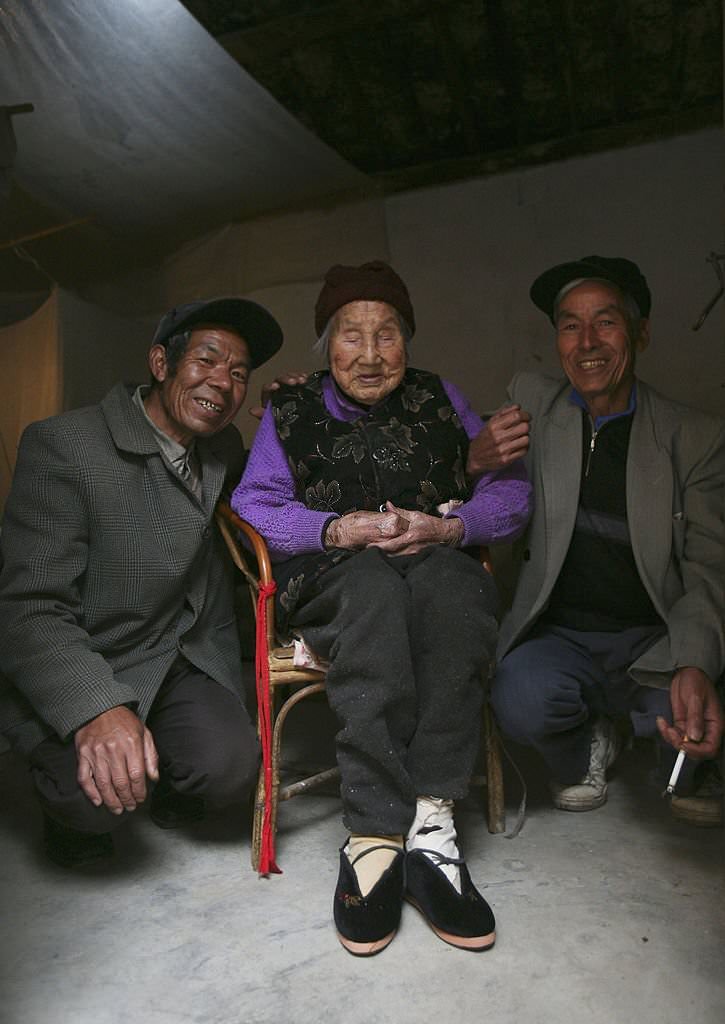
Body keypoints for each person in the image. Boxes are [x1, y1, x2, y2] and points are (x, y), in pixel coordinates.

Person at [232, 260, 532, 955]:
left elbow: (508, 494)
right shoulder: (291, 406)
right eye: (350, 336)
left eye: (387, 335)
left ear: (408, 343)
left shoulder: (439, 396)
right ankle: (372, 834)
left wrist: (449, 529)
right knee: (370, 599)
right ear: (326, 346)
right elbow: (254, 504)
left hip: (431, 556)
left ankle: (431, 827)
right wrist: (333, 529)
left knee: (457, 595)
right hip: (338, 570)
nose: (369, 354)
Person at [0, 297, 283, 866]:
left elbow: (274, 482)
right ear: (160, 363)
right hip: (90, 652)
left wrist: (301, 410)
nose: (222, 383)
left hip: (172, 652)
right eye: (206, 361)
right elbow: (28, 607)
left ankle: (163, 776)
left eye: (237, 373)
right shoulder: (64, 446)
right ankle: (66, 798)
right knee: (93, 801)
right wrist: (96, 710)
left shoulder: (220, 448)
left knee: (229, 769)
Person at [467, 256, 724, 823]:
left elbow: (710, 567)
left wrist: (695, 663)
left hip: (651, 643)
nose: (587, 342)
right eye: (569, 325)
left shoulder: (695, 437)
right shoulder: (532, 404)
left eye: (605, 322)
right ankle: (585, 742)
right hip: (562, 639)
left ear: (641, 332)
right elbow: (432, 431)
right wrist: (468, 460)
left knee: (692, 725)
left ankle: (658, 740)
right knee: (520, 698)